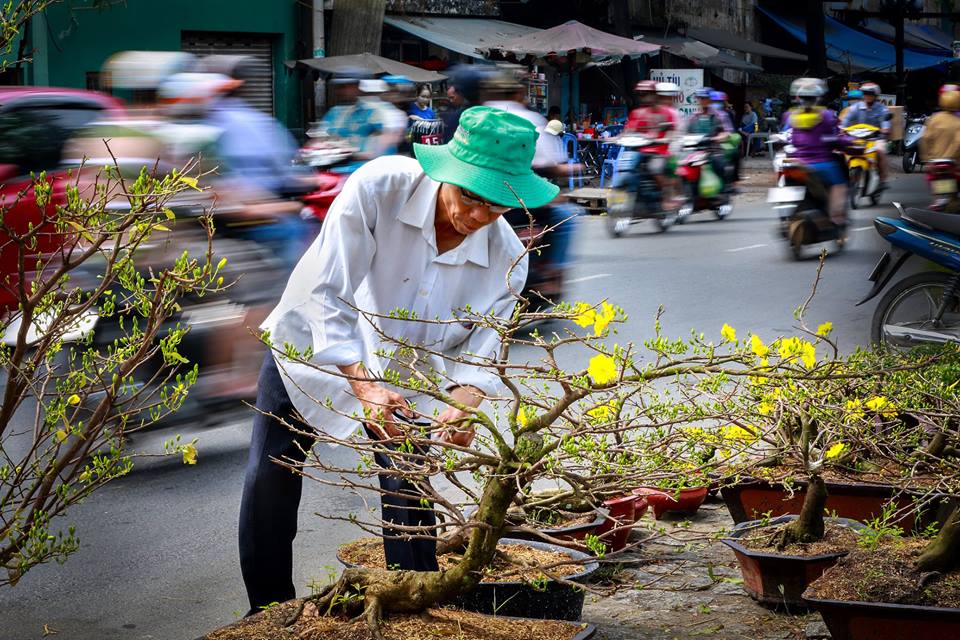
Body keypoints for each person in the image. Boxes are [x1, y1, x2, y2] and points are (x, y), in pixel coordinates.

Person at [238, 105, 558, 614]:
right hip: (312, 346)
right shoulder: (379, 188)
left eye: (497, 206)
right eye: (470, 197)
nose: (478, 216)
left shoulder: (506, 260)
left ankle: (415, 603)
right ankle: (270, 609)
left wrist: (465, 399)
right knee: (273, 472)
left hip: (406, 368)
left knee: (408, 480)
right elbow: (329, 292)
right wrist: (364, 387)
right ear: (445, 173)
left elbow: (483, 343)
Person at [784, 77, 848, 230]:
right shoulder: (826, 115)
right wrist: (848, 142)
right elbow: (837, 137)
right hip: (822, 163)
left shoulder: (790, 115)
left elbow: (787, 135)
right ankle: (835, 217)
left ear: (798, 98)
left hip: (796, 162)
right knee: (840, 184)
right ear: (818, 98)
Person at [841, 82, 890, 189]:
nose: (867, 96)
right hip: (858, 138)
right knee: (842, 151)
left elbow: (885, 122)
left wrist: (885, 129)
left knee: (881, 151)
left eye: (870, 94)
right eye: (865, 93)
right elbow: (846, 120)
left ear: (876, 95)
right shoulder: (855, 107)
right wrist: (841, 129)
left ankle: (883, 179)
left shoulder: (882, 108)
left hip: (876, 138)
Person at [920, 84, 960, 164]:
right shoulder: (957, 121)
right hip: (952, 163)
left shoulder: (934, 119)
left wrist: (926, 158)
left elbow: (925, 138)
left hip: (935, 162)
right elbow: (958, 143)